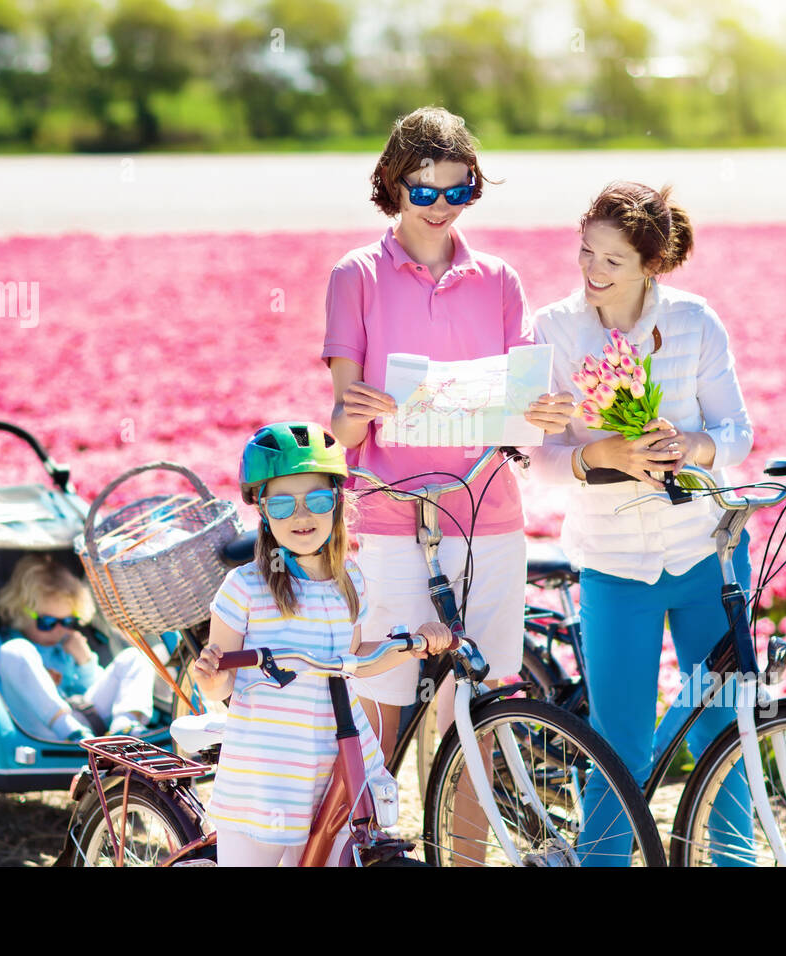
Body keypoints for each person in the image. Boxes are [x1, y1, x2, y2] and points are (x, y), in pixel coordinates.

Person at [321, 105, 574, 760]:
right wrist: (362, 409)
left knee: (476, 708)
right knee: (385, 699)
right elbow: (341, 434)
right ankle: (371, 854)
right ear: (393, 184)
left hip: (488, 513)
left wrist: (543, 412)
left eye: (457, 191)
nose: (440, 206)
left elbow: (521, 406)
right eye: (423, 191)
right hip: (393, 514)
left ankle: (465, 858)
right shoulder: (357, 276)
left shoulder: (499, 280)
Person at [529, 181, 757, 866]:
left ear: (651, 264)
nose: (592, 272)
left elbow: (737, 434)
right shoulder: (554, 330)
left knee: (722, 728)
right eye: (586, 253)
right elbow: (536, 462)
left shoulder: (694, 321)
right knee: (619, 738)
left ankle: (735, 859)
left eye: (612, 261)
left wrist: (687, 447)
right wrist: (603, 453)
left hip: (706, 558)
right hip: (615, 564)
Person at [192, 421, 453, 867]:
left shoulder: (349, 580)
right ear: (262, 509)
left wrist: (414, 645)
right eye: (282, 504)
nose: (301, 516)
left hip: (337, 759)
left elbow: (352, 662)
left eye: (316, 500)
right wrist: (212, 678)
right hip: (268, 772)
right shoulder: (245, 588)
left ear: (336, 503)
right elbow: (220, 686)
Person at [0, 554, 153, 741]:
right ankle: (70, 731)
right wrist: (39, 684)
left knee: (135, 656)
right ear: (21, 612)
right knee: (15, 650)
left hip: (83, 725)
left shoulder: (66, 645)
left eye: (68, 621)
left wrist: (85, 661)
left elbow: (90, 694)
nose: (59, 630)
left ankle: (125, 728)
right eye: (48, 622)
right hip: (33, 728)